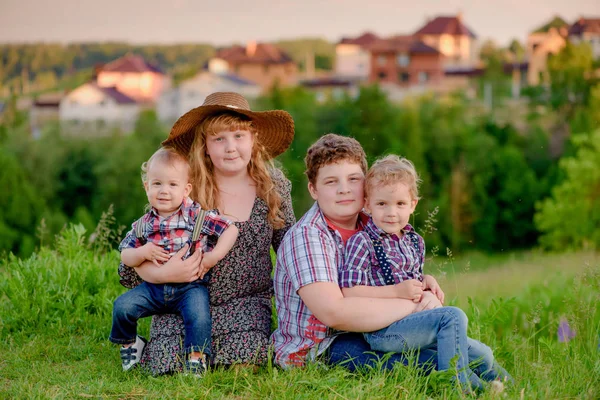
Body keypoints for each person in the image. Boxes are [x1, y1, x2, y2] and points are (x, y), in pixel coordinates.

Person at [272, 134, 509, 391]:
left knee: (469, 351)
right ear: (313, 189)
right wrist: (413, 304)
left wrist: (423, 284)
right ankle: (475, 391)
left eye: (353, 179)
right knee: (424, 362)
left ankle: (510, 386)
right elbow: (334, 314)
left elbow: (395, 273)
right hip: (323, 345)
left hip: (374, 326)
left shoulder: (374, 219)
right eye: (331, 182)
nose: (344, 189)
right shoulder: (307, 237)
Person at [118, 92, 296, 375]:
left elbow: (290, 248)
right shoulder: (185, 187)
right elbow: (132, 259)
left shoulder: (272, 186)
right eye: (219, 139)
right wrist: (162, 275)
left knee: (242, 365)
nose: (230, 147)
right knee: (166, 367)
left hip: (246, 303)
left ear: (253, 140)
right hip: (182, 297)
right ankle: (144, 344)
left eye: (238, 136)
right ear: (205, 146)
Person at [339, 154, 511, 391]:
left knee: (483, 355)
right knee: (452, 317)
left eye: (400, 204)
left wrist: (426, 280)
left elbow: (411, 279)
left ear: (413, 205)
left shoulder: (414, 241)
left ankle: (510, 389)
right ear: (367, 204)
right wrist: (396, 291)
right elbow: (350, 292)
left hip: (415, 322)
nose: (391, 212)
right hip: (384, 330)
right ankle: (457, 388)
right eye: (382, 204)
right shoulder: (362, 242)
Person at [110, 147, 238, 375]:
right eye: (157, 184)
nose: (164, 191)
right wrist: (144, 252)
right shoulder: (143, 225)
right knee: (122, 307)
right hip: (153, 289)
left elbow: (230, 229)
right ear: (146, 187)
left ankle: (196, 357)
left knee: (199, 316)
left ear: (186, 189)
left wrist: (213, 256)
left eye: (172, 184)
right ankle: (131, 343)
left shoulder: (196, 217)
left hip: (190, 287)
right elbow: (125, 255)